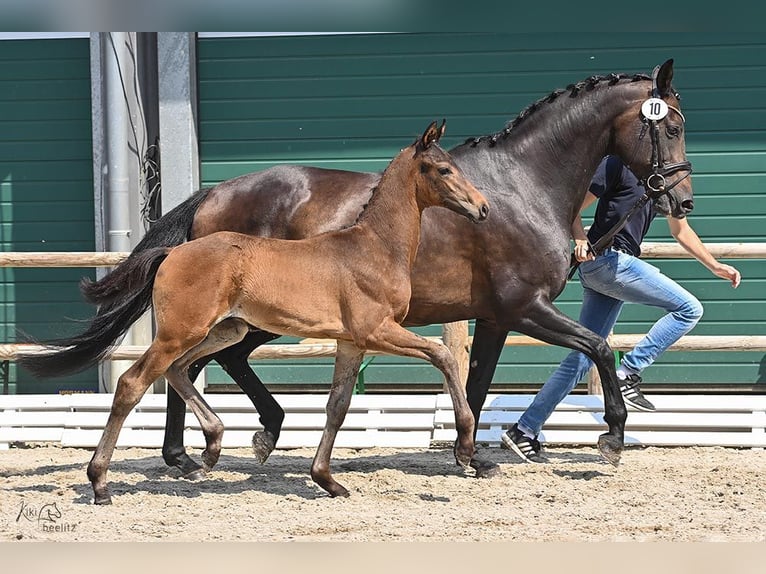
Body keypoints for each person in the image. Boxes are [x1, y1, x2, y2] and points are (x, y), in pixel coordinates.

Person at [502, 155, 742, 463]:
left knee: (581, 357)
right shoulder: (617, 166)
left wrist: (715, 266)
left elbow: (680, 231)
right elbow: (572, 206)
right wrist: (579, 238)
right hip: (608, 262)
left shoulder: (661, 180)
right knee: (688, 308)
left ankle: (524, 430)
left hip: (607, 270)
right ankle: (628, 371)